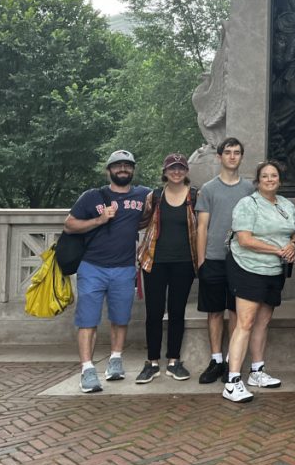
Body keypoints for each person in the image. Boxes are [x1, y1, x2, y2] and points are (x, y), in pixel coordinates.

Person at [65, 150, 151, 393]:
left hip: (124, 268)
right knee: (87, 320)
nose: (123, 169)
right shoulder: (92, 197)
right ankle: (87, 369)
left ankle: (115, 360)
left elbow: (148, 216)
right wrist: (98, 221)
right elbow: (69, 224)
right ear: (109, 170)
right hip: (92, 267)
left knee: (120, 317)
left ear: (133, 170)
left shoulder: (143, 194)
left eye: (127, 165)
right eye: (118, 166)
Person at [222, 160, 295, 403]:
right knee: (245, 322)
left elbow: (293, 232)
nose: (270, 179)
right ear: (257, 181)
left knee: (263, 322)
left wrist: (292, 245)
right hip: (248, 268)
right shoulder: (247, 204)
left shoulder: (286, 204)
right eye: (265, 176)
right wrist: (277, 250)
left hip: (274, 271)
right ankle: (232, 381)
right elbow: (244, 239)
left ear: (279, 180)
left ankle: (257, 371)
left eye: (274, 175)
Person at [194, 137, 255, 384]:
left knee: (236, 312)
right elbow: (202, 227)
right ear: (219, 157)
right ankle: (216, 359)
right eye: (227, 152)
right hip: (214, 259)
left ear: (241, 157)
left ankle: (232, 359)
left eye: (236, 152)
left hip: (241, 261)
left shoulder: (250, 189)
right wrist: (201, 262)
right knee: (215, 311)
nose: (232, 156)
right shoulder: (208, 189)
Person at [135, 153, 199, 384]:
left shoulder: (194, 196)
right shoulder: (155, 196)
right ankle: (152, 361)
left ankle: (174, 360)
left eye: (181, 168)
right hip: (155, 262)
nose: (176, 172)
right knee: (153, 312)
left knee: (177, 311)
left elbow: (202, 228)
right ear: (165, 171)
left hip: (184, 262)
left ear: (186, 171)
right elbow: (140, 221)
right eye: (172, 168)